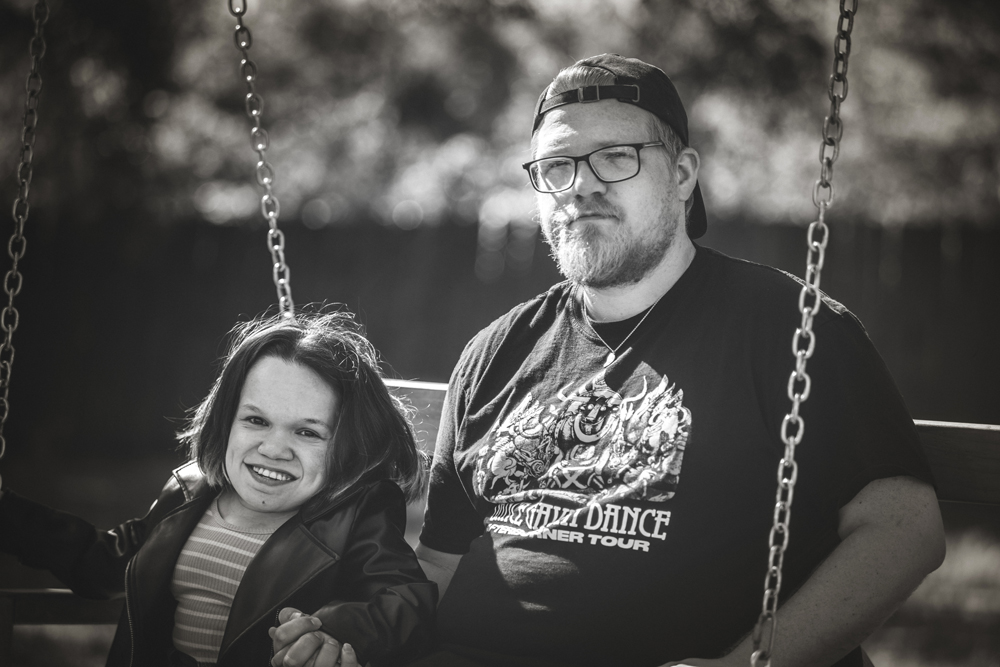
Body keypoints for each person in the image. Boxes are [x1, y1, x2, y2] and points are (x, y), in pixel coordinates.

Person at [408, 54, 946, 667]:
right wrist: (356, 632)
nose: (580, 185)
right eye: (556, 166)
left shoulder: (789, 329)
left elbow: (904, 531)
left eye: (616, 157)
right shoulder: (495, 351)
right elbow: (438, 564)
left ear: (683, 174)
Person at [0, 310, 437, 667]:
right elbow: (104, 563)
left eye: (307, 432)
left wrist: (334, 629)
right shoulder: (190, 493)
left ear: (349, 446)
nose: (274, 449)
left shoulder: (354, 517)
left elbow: (407, 600)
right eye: (256, 420)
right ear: (225, 420)